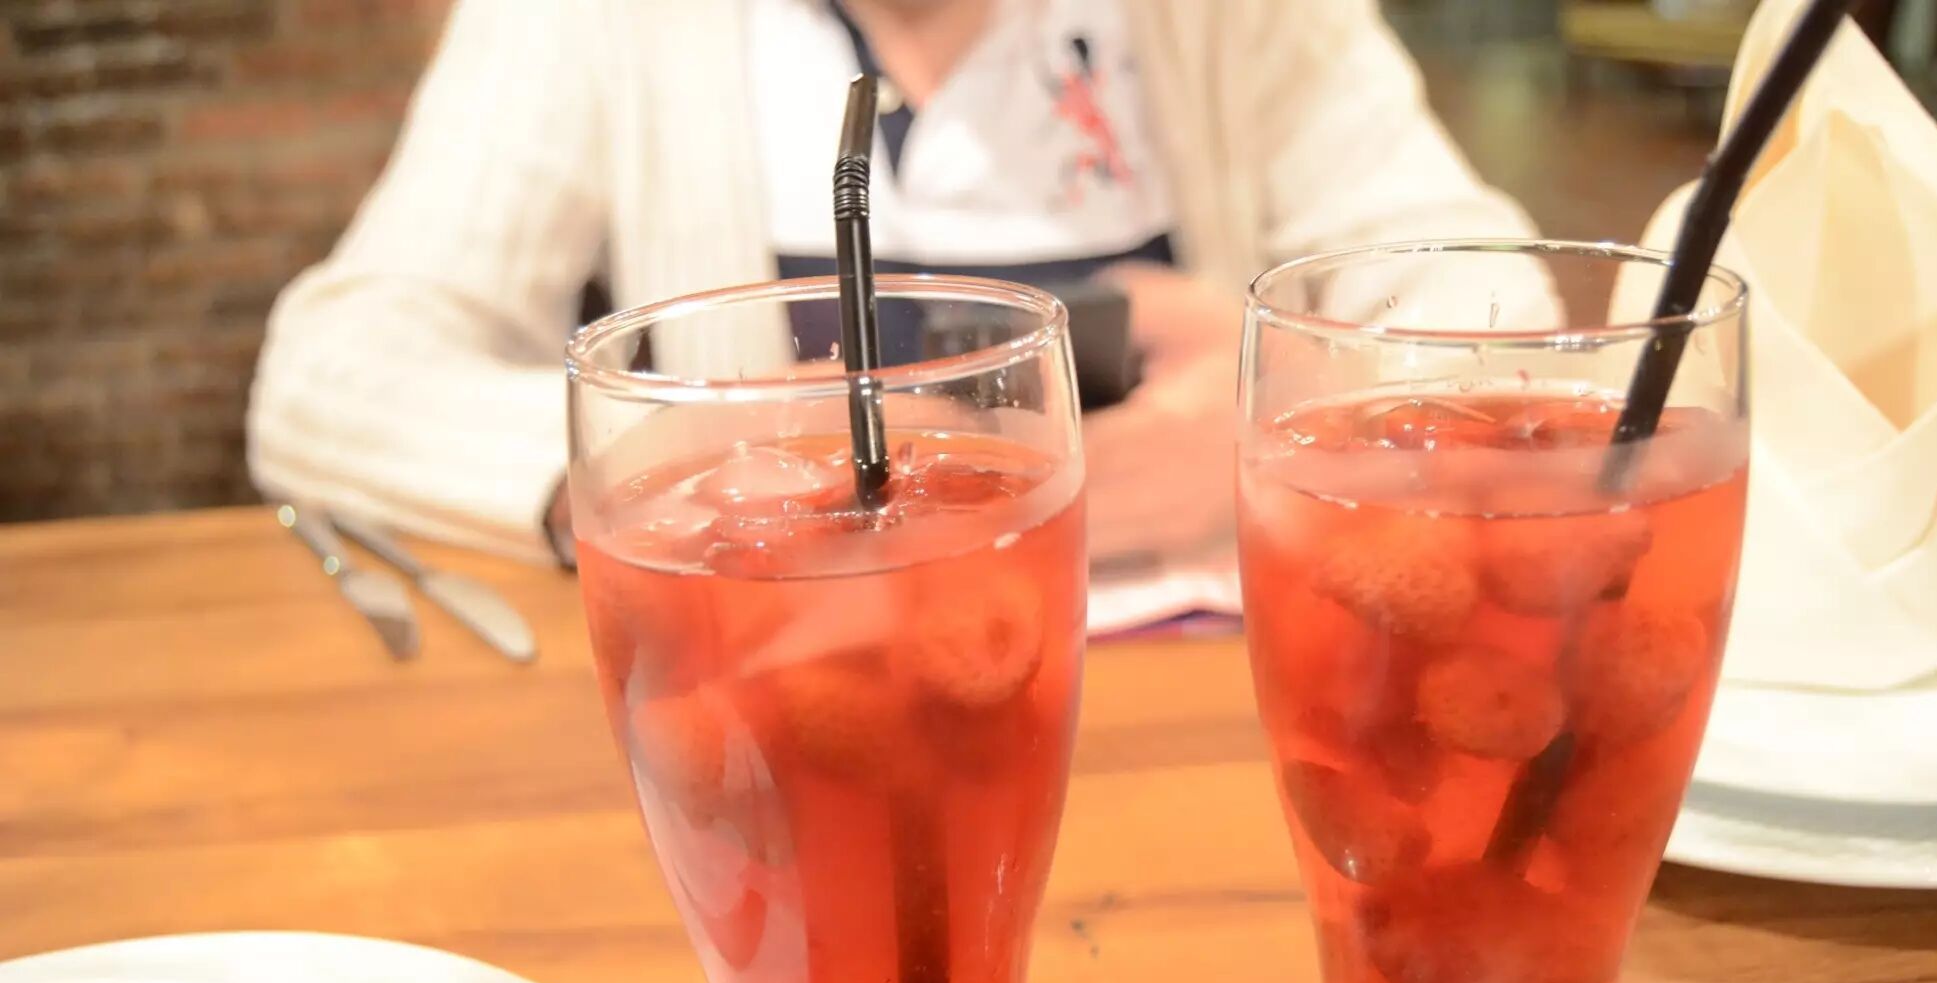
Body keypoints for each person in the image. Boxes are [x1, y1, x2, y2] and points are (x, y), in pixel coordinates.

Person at [247, 0, 1536, 569]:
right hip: (786, 724)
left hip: (1189, 739)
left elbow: (1498, 301)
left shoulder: (1237, 21)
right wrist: (682, 461)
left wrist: (1278, 414)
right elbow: (334, 371)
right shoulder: (597, 23)